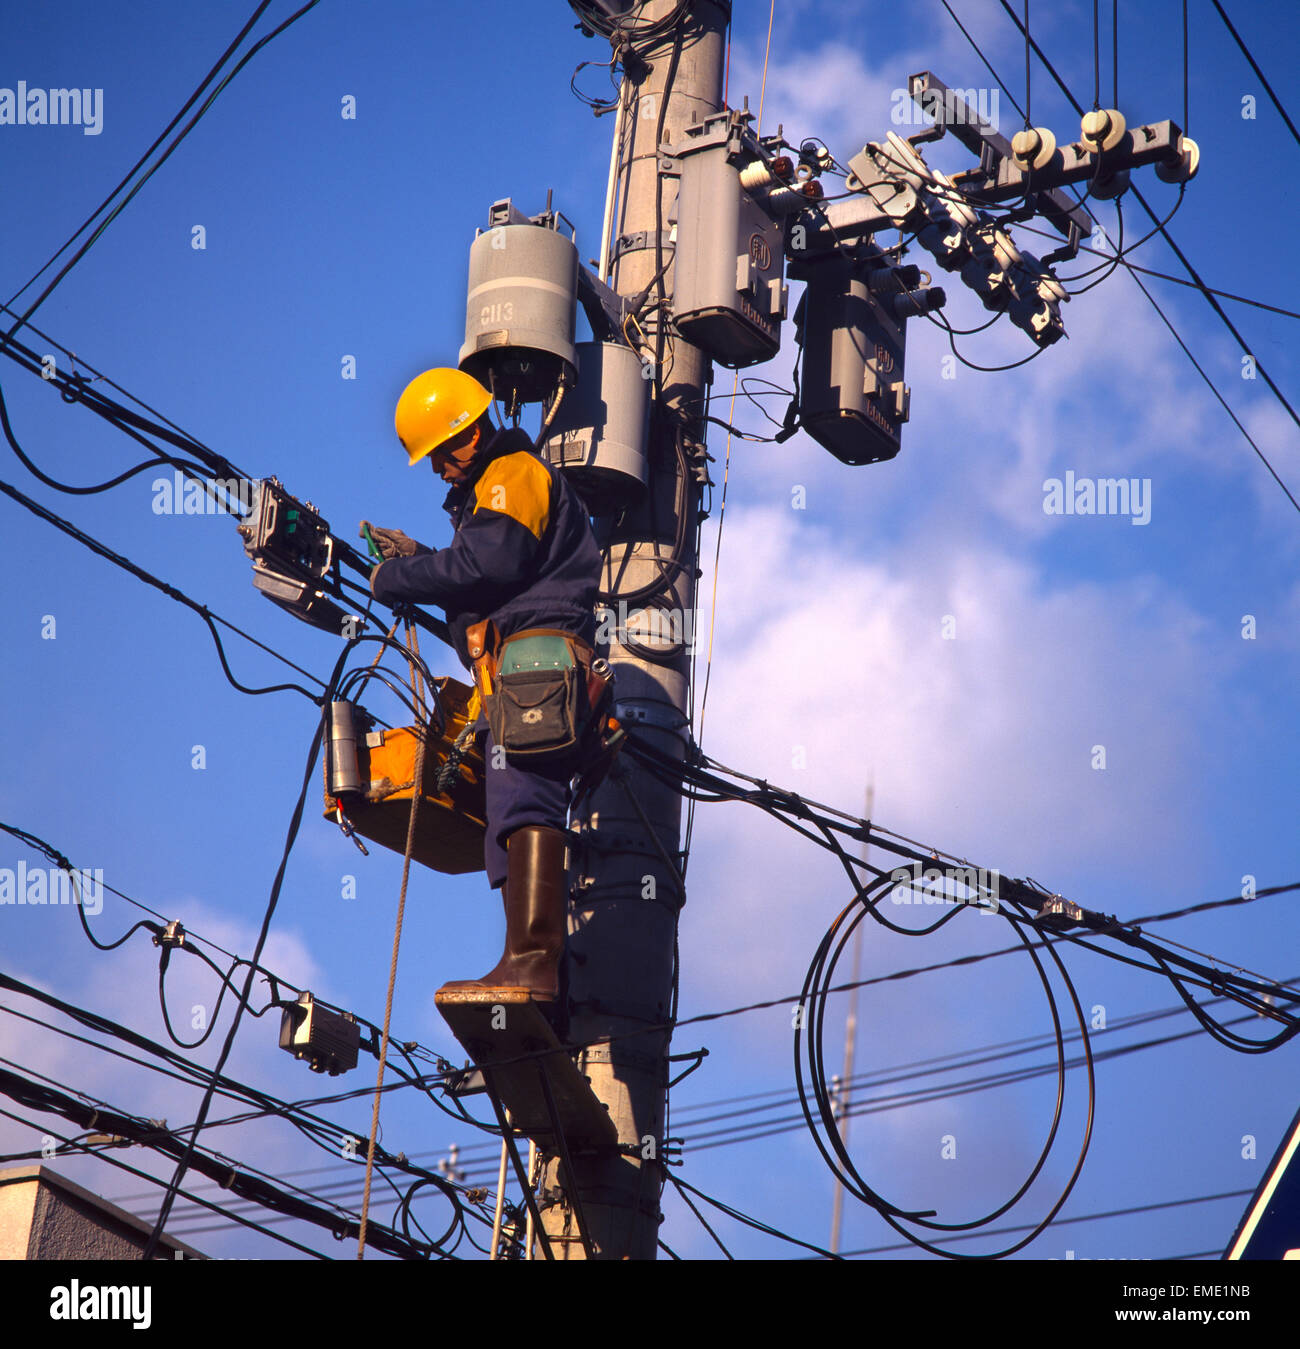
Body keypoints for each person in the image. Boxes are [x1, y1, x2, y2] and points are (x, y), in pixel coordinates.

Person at [364, 367, 601, 1003]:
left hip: (538, 670)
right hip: (521, 675)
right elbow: (485, 581)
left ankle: (532, 963)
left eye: (441, 454)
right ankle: (528, 967)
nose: (439, 470)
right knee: (508, 811)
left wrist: (398, 580)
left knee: (524, 803)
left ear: (468, 436)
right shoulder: (493, 490)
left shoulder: (515, 472)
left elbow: (489, 562)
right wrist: (418, 559)